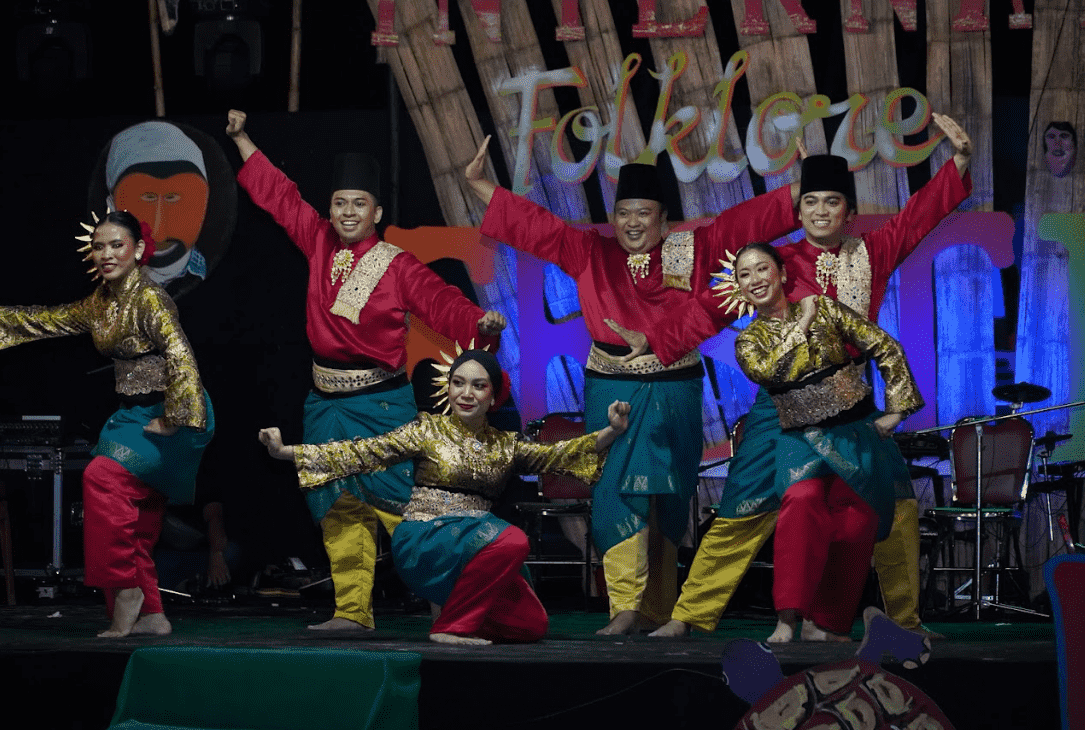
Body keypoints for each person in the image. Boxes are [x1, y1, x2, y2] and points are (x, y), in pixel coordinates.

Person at [621, 113, 973, 639]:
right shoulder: (777, 261)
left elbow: (918, 216)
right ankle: (690, 615)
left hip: (852, 402)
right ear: (799, 208)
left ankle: (905, 620)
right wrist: (656, 340)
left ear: (849, 212)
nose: (821, 210)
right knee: (743, 502)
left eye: (832, 201)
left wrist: (960, 162)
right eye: (811, 201)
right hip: (781, 406)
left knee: (894, 503)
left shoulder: (871, 252)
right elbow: (712, 307)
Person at [465, 137, 802, 634]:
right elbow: (538, 228)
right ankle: (624, 607)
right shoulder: (589, 252)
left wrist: (799, 189)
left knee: (669, 494)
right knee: (616, 491)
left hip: (675, 388)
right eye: (624, 213)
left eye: (643, 213)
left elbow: (744, 224)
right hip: (611, 385)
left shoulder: (693, 248)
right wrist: (480, 186)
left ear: (663, 220)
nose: (632, 223)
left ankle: (659, 609)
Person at [226, 110, 505, 632]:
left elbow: (444, 305)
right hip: (324, 403)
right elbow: (280, 196)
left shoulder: (396, 265)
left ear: (376, 212)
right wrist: (242, 139)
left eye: (359, 204)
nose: (348, 212)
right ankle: (353, 611)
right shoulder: (318, 241)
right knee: (338, 508)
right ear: (330, 210)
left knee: (406, 510)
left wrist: (480, 322)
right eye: (340, 203)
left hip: (381, 406)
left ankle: (447, 604)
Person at [260, 349, 630, 644]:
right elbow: (362, 452)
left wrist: (611, 431)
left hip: (472, 548)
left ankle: (461, 618)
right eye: (458, 383)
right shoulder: (426, 430)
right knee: (513, 540)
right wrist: (287, 452)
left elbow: (559, 454)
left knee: (530, 626)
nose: (466, 393)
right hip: (424, 540)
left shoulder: (506, 445)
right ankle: (450, 627)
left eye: (478, 386)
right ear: (448, 388)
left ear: (493, 396)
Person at [0, 210, 214, 637]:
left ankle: (127, 588)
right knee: (138, 520)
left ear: (137, 251)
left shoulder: (150, 298)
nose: (106, 254)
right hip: (132, 417)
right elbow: (46, 320)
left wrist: (174, 418)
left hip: (175, 413)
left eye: (117, 245)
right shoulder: (100, 302)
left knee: (101, 476)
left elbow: (181, 355)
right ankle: (153, 614)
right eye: (99, 246)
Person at [729, 243, 923, 642]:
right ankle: (787, 619)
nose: (755, 280)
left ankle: (825, 624)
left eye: (762, 269)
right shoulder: (748, 341)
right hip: (801, 440)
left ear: (782, 274)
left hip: (855, 434)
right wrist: (800, 325)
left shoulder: (828, 309)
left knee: (859, 521)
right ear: (739, 289)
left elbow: (885, 346)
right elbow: (768, 372)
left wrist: (896, 410)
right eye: (744, 275)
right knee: (801, 504)